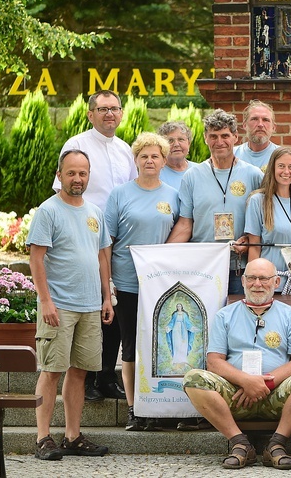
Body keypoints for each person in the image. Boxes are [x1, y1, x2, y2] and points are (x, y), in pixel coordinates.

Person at [182, 258, 291, 470]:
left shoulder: (290, 316)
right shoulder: (225, 316)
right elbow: (213, 362)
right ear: (242, 281)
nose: (257, 284)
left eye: (264, 278)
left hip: (277, 395)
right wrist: (245, 381)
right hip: (235, 394)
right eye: (251, 278)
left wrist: (265, 384)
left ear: (276, 282)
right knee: (192, 379)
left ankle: (276, 445)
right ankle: (239, 444)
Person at [28, 149, 113, 460]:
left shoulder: (94, 212)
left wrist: (107, 296)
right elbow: (36, 259)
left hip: (91, 305)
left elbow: (103, 256)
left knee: (79, 372)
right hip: (58, 307)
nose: (77, 179)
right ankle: (42, 438)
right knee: (51, 371)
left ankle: (73, 437)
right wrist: (46, 301)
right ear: (60, 174)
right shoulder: (48, 211)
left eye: (83, 173)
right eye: (71, 173)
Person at [52, 89, 134, 403]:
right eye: (102, 109)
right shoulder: (76, 145)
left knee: (110, 306)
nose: (109, 114)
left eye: (114, 108)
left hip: (116, 241)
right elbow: (63, 193)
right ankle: (82, 379)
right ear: (90, 114)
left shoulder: (126, 149)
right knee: (87, 306)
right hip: (84, 236)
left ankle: (105, 377)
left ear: (121, 113)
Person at [104, 132, 180, 431]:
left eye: (155, 156)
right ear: (135, 160)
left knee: (162, 345)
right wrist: (106, 282)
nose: (149, 160)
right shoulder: (119, 194)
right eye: (144, 156)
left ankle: (160, 406)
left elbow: (181, 232)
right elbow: (106, 242)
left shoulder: (173, 194)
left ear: (164, 161)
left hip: (161, 285)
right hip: (127, 282)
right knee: (132, 346)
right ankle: (135, 409)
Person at [166, 110, 264, 295]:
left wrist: (250, 241)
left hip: (239, 266)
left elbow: (264, 223)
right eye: (213, 136)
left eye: (225, 135)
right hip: (203, 266)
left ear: (236, 137)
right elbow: (186, 224)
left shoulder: (254, 175)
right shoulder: (192, 176)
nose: (219, 142)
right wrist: (161, 256)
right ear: (205, 138)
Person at [245, 147, 291, 295]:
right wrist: (254, 282)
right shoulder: (258, 201)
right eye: (281, 166)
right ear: (272, 168)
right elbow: (254, 247)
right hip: (268, 283)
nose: (286, 172)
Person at [234, 100, 280, 171]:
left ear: (273, 127)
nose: (260, 124)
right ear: (245, 125)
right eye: (254, 119)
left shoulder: (282, 156)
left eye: (265, 120)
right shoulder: (232, 156)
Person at [158, 121, 197, 190]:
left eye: (181, 139)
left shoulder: (200, 171)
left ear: (189, 143)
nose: (176, 144)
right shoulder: (156, 174)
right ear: (162, 146)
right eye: (170, 140)